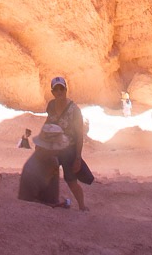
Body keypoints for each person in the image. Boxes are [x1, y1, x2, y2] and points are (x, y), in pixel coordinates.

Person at [44, 76, 91, 211]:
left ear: (66, 90)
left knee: (71, 180)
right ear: (52, 92)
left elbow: (79, 135)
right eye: (56, 89)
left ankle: (82, 206)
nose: (59, 92)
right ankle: (50, 200)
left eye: (61, 89)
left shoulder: (74, 110)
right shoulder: (51, 105)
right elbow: (48, 122)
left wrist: (77, 158)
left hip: (69, 149)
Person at [18, 124, 71, 206]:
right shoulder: (31, 171)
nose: (59, 150)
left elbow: (52, 196)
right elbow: (26, 203)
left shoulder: (53, 161)